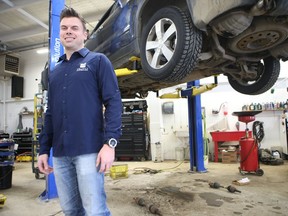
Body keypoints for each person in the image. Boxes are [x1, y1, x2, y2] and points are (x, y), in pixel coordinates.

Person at [37, 7, 122, 216]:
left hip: (89, 152)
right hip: (61, 155)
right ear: (60, 33)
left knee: (95, 211)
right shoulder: (54, 73)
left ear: (85, 34)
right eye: (64, 28)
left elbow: (113, 102)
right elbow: (50, 114)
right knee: (70, 211)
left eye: (75, 28)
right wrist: (43, 149)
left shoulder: (98, 61)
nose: (69, 31)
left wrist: (110, 144)